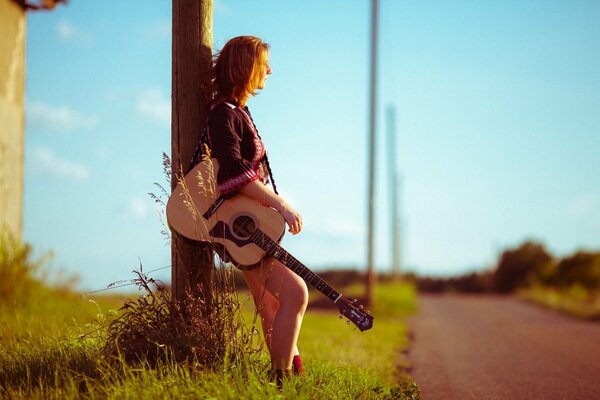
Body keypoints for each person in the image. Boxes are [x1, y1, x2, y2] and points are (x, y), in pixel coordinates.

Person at [191, 36, 308, 385]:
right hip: (244, 228)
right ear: (246, 67)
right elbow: (234, 174)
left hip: (250, 225)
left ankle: (288, 375)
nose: (269, 70)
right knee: (296, 293)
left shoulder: (237, 112)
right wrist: (281, 205)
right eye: (264, 64)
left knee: (270, 304)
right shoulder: (223, 113)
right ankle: (282, 378)